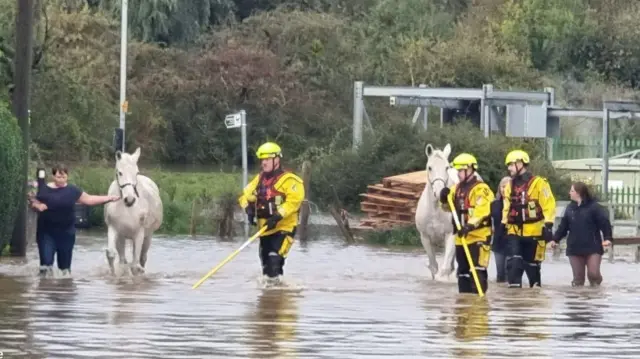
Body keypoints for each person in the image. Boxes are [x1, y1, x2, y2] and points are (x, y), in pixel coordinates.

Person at [29, 165, 119, 276]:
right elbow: (33, 203)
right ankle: (45, 290)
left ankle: (65, 289)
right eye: (58, 177)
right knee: (46, 266)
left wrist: (109, 198)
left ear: (67, 176)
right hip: (46, 234)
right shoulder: (44, 190)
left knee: (65, 270)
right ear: (53, 176)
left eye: (63, 177)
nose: (61, 180)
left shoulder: (72, 190)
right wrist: (38, 205)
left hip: (66, 233)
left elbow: (89, 199)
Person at [238, 142, 305, 280]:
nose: (264, 163)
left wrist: (277, 217)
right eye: (262, 160)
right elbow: (245, 195)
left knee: (274, 261)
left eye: (267, 159)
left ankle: (277, 294)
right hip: (265, 230)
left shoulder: (290, 180)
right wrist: (248, 209)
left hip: (283, 229)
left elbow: (294, 201)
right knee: (266, 268)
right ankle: (271, 297)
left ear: (277, 160)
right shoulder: (260, 178)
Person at [439, 153, 494, 294]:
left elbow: (482, 211)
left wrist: (469, 226)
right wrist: (443, 198)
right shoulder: (456, 189)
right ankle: (463, 309)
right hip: (461, 238)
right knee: (462, 274)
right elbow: (446, 207)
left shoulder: (482, 189)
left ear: (470, 169)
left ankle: (478, 310)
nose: (458, 174)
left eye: (460, 171)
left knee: (477, 272)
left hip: (478, 237)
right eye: (457, 171)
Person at [501, 149, 556, 288]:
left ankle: (533, 297)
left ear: (521, 164)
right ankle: (514, 300)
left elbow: (548, 204)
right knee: (514, 264)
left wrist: (548, 225)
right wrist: (503, 224)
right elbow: (506, 207)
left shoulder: (539, 183)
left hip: (534, 232)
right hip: (514, 231)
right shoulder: (509, 185)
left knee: (532, 268)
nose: (509, 168)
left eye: (511, 165)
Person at [550, 182, 613, 286]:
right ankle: (579, 300)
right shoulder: (570, 208)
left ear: (578, 193)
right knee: (578, 280)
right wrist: (555, 239)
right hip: (574, 248)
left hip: (593, 247)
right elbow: (563, 227)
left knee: (593, 274)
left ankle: (596, 294)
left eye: (571, 191)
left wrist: (607, 238)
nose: (569, 193)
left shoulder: (594, 207)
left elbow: (604, 222)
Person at [491, 176, 511, 283]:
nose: (504, 189)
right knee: (500, 274)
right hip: (498, 242)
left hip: (512, 242)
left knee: (509, 272)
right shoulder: (494, 204)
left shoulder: (515, 204)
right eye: (502, 187)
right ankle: (500, 298)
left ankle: (509, 297)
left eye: (507, 187)